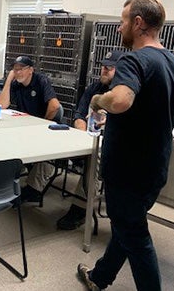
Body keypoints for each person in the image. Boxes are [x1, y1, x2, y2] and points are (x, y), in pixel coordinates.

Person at [77, 0, 174, 291]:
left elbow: (120, 101)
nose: (119, 29)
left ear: (137, 23)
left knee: (135, 236)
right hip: (155, 166)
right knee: (126, 226)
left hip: (128, 171)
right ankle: (99, 277)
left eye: (121, 22)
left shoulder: (134, 59)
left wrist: (98, 100)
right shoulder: (171, 59)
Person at [56, 50, 123, 230]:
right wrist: (82, 133)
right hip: (88, 137)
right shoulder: (94, 89)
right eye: (103, 67)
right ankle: (34, 187)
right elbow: (79, 114)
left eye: (109, 68)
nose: (104, 71)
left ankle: (79, 209)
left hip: (113, 148)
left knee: (96, 158)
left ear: (120, 70)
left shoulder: (122, 94)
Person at [0, 55, 61, 203]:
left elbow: (55, 105)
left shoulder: (41, 80)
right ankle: (6, 179)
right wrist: (8, 80)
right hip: (24, 127)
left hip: (47, 128)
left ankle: (33, 190)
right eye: (15, 69)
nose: (18, 72)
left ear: (31, 70)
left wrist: (42, 124)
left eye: (21, 69)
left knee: (47, 151)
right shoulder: (16, 84)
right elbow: (2, 105)